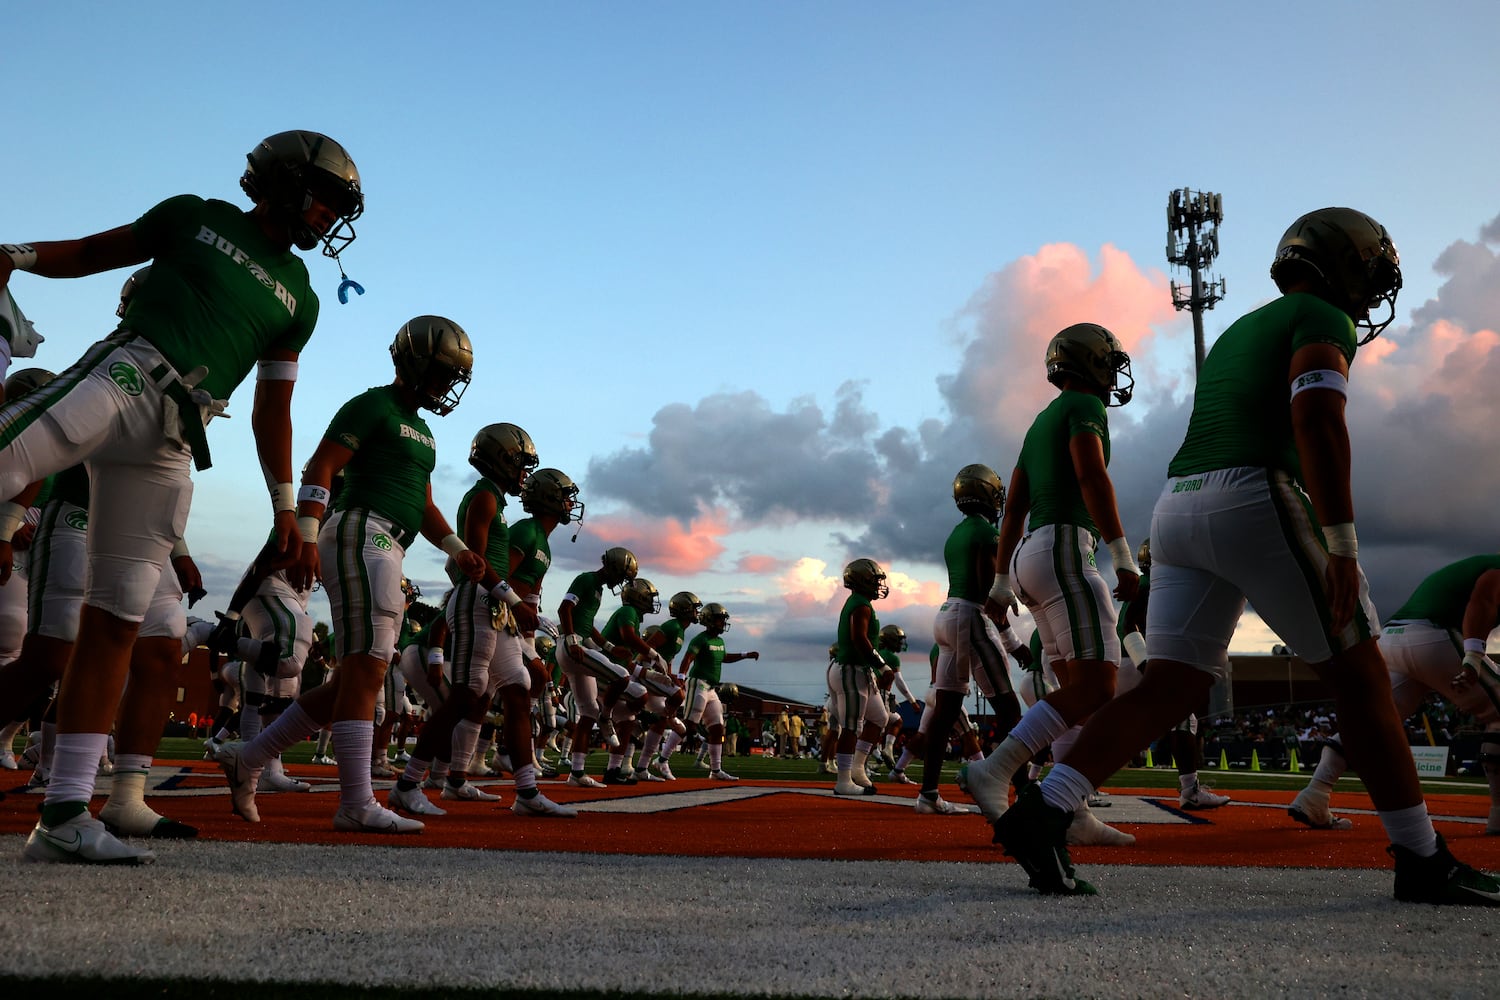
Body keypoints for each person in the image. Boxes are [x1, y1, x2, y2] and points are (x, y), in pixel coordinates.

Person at [994, 207, 1499, 905]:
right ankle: (1421, 856)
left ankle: (1047, 807)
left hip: (1177, 506)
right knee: (1361, 678)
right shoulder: (1323, 316)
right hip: (1253, 492)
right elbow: (1316, 419)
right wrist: (1344, 542)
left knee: (1171, 684)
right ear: (1348, 265)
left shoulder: (1239, 329)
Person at [3, 131, 362, 864]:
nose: (328, 216)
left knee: (117, 617)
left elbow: (273, 408)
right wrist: (17, 258)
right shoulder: (196, 213)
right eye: (323, 196)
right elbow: (91, 251)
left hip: (178, 436)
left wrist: (286, 507)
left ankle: (67, 810)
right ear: (283, 181)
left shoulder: (302, 296)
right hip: (129, 372)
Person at [218, 314, 481, 835]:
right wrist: (308, 536)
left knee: (355, 680)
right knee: (365, 672)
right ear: (412, 362)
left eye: (453, 377)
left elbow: (422, 504)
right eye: (441, 371)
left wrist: (456, 547)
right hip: (363, 531)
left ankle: (248, 756)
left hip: (391, 540)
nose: (445, 384)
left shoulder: (424, 433)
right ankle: (356, 801)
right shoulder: (372, 404)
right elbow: (322, 467)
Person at [969, 323, 1140, 850]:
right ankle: (995, 770)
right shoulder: (1085, 407)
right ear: (1091, 363)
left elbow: (1015, 504)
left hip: (1029, 555)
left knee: (1073, 689)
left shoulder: (1040, 421)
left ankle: (1073, 811)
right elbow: (1092, 477)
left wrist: (1001, 583)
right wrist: (1122, 555)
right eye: (1108, 362)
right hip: (1066, 546)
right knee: (1098, 686)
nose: (1113, 373)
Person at [1291, 555, 1500, 835]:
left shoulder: (1474, 566)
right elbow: (1483, 600)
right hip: (1432, 636)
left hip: (1391, 638)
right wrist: (1473, 656)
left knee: (1369, 723)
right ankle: (1499, 815)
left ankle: (1315, 793)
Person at [917, 464, 1031, 814]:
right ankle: (1024, 790)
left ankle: (928, 794)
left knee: (945, 712)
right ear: (987, 494)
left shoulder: (956, 533)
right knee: (1011, 708)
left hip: (946, 615)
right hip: (970, 617)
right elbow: (990, 589)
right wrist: (1014, 643)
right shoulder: (985, 534)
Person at [1117, 538, 1230, 811]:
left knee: (1111, 722)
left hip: (1128, 661)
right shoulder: (1150, 584)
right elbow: (1125, 625)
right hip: (1133, 660)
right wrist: (1145, 664)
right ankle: (1190, 790)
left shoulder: (1154, 583)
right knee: (1182, 719)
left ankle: (1072, 786)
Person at [554, 546, 639, 786]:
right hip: (573, 647)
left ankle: (577, 773)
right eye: (622, 575)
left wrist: (610, 649)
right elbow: (564, 609)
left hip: (577, 645)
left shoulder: (597, 588)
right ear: (612, 566)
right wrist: (572, 641)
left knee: (587, 712)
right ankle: (607, 716)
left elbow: (587, 624)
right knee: (621, 676)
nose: (621, 581)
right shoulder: (586, 579)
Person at [828, 559, 895, 795]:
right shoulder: (860, 605)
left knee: (879, 718)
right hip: (851, 669)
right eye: (875, 580)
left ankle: (857, 768)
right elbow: (859, 639)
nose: (878, 585)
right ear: (862, 580)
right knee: (850, 726)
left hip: (858, 670)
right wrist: (883, 666)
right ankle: (843, 780)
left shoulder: (861, 602)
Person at [679, 603, 758, 780]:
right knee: (689, 725)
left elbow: (725, 657)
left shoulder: (719, 641)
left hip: (711, 688)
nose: (723, 623)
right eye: (720, 619)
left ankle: (715, 771)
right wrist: (680, 677)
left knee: (717, 728)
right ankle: (662, 759)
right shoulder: (700, 639)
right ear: (709, 620)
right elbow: (688, 658)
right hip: (697, 683)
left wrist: (746, 655)